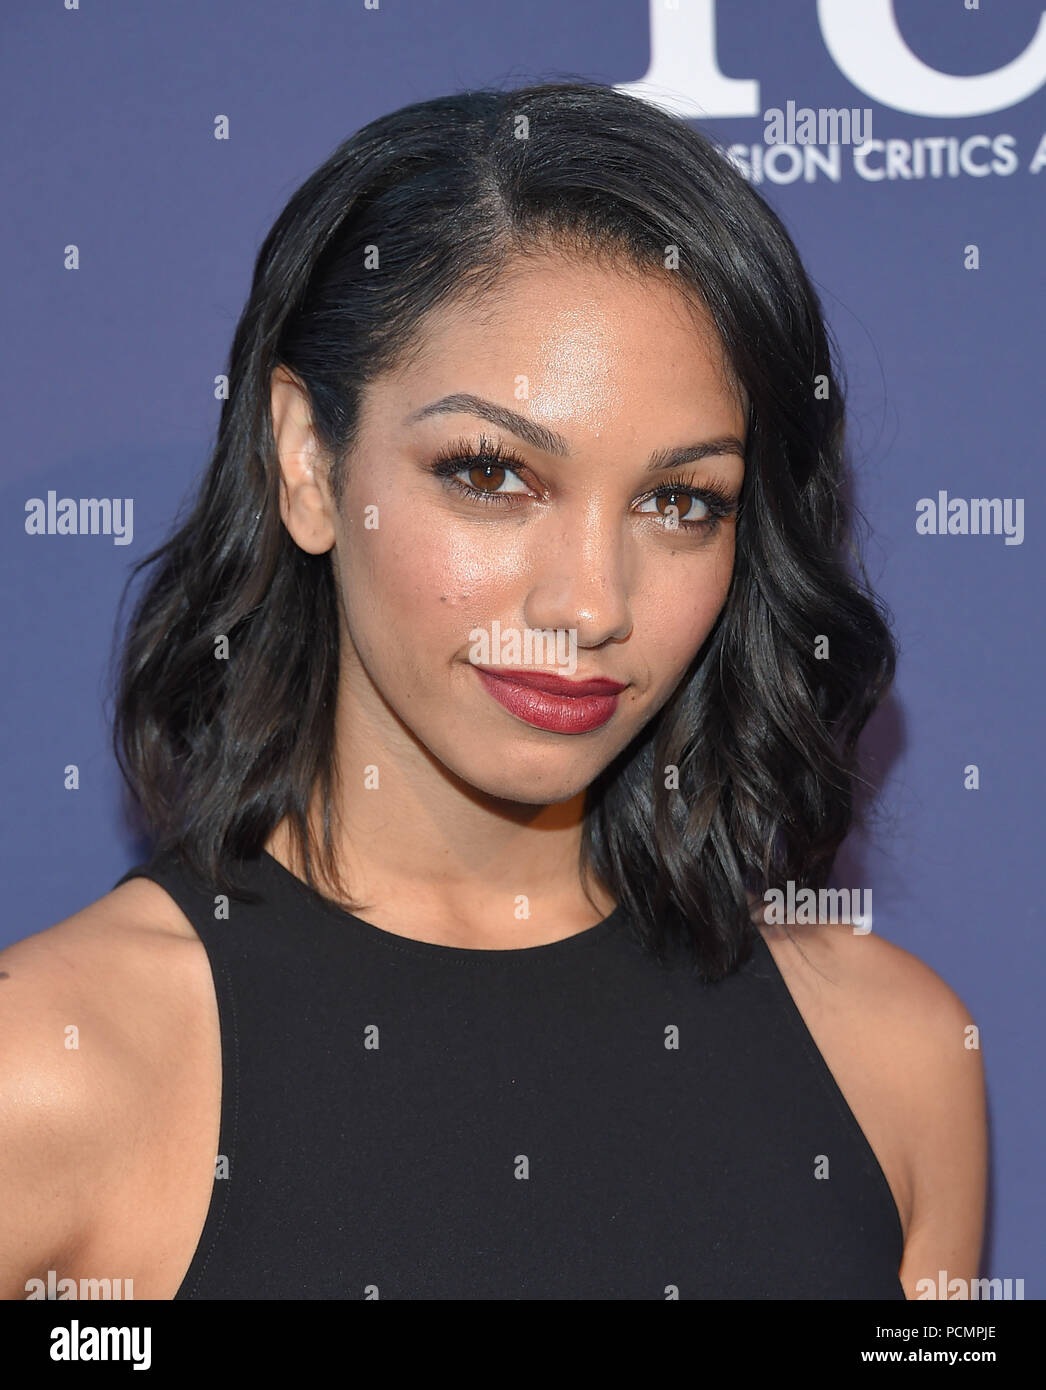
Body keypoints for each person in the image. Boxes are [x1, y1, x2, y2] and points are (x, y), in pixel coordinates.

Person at [1, 81, 985, 1301]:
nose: (589, 603)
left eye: (680, 502)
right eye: (491, 473)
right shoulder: (50, 1065)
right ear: (307, 462)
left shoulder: (895, 1058)